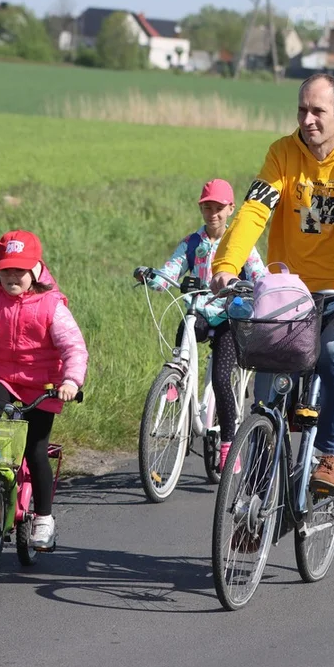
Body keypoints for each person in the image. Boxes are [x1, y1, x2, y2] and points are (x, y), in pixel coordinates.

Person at [209, 73, 334, 497]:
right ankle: (253, 497)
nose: (307, 120)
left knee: (333, 351)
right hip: (291, 293)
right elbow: (255, 210)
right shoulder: (283, 153)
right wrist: (226, 264)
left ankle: (333, 454)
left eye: (318, 111)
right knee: (266, 389)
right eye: (302, 110)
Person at [0, 230, 88, 550]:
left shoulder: (51, 305)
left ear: (35, 271)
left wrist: (70, 382)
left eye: (20, 270)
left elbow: (73, 348)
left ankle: (43, 520)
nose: (13, 276)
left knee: (36, 451)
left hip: (43, 386)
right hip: (3, 378)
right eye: (6, 269)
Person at [134, 178, 266, 473]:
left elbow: (259, 274)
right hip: (201, 312)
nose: (213, 214)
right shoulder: (192, 243)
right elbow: (171, 271)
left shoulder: (240, 243)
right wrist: (153, 278)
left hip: (231, 316)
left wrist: (253, 288)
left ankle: (228, 445)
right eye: (207, 207)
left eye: (219, 208)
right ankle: (179, 380)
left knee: (221, 378)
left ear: (231, 209)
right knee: (186, 329)